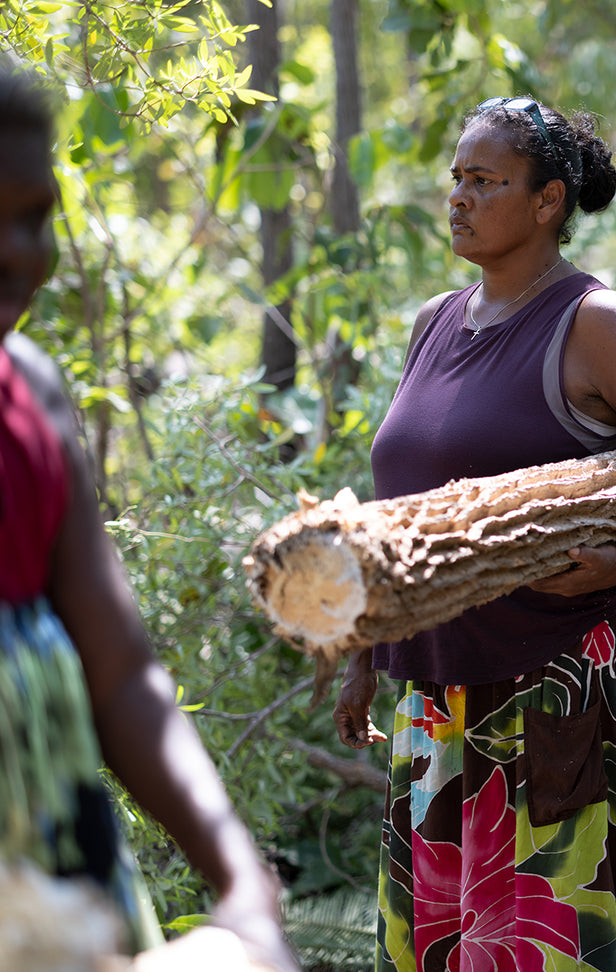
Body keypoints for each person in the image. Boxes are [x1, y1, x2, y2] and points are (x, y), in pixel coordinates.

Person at [332, 95, 616, 971]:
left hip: (563, 681)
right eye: (456, 179)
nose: (458, 197)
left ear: (548, 201)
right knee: (442, 942)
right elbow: (406, 508)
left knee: (554, 939)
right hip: (441, 688)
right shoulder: (434, 324)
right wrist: (366, 647)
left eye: (484, 181)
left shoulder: (592, 324)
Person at [0, 68, 299, 970]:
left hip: (61, 903)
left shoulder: (34, 400)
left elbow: (122, 674)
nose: (20, 252)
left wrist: (242, 884)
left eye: (35, 216)